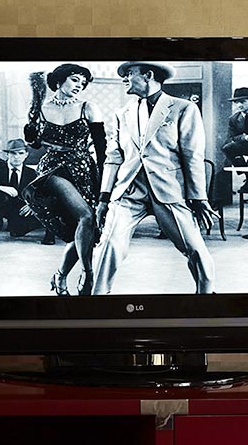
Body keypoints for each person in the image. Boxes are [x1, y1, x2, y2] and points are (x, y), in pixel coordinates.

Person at [90, 61, 221, 295]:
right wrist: (104, 198)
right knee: (108, 245)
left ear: (148, 75)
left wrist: (199, 198)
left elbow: (193, 156)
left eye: (130, 74)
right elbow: (113, 157)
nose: (125, 79)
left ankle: (207, 298)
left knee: (194, 249)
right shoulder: (123, 114)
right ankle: (97, 300)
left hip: (168, 191)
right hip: (128, 192)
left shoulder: (183, 108)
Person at [28, 63, 106, 295]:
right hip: (53, 169)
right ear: (60, 80)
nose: (79, 86)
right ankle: (89, 274)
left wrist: (104, 182)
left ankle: (60, 276)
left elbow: (101, 148)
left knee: (84, 229)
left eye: (83, 83)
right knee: (85, 216)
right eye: (74, 80)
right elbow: (34, 146)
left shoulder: (88, 107)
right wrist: (31, 137)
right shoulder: (40, 107)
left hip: (83, 169)